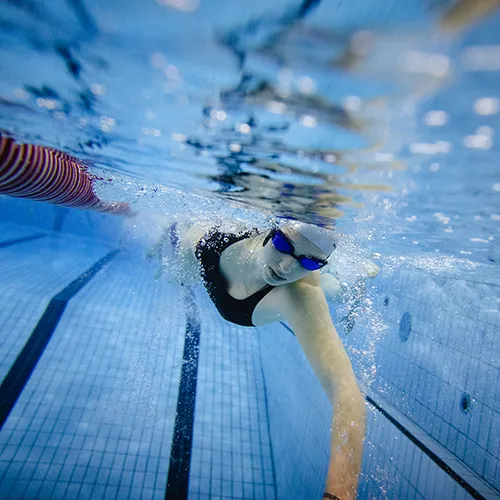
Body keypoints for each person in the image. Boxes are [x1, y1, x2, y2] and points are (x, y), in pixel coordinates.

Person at [154, 218, 367, 500]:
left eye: (311, 261)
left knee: (319, 290)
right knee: (175, 272)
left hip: (269, 301)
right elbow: (180, 260)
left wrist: (340, 493)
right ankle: (334, 280)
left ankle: (352, 285)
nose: (286, 266)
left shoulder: (299, 293)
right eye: (283, 244)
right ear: (270, 229)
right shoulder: (217, 235)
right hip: (211, 262)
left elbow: (345, 389)